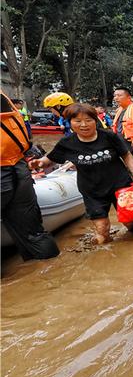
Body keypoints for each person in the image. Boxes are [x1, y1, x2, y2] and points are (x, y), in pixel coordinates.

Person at [28, 103, 133, 244]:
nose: (84, 124)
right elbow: (50, 159)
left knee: (131, 225)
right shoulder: (67, 143)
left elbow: (125, 154)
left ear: (95, 121)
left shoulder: (108, 136)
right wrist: (39, 163)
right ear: (70, 122)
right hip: (92, 191)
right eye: (77, 121)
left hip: (120, 186)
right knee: (102, 229)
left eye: (89, 120)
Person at [1, 91, 60, 260]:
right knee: (33, 232)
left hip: (8, 171)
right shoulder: (4, 99)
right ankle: (50, 268)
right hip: (18, 169)